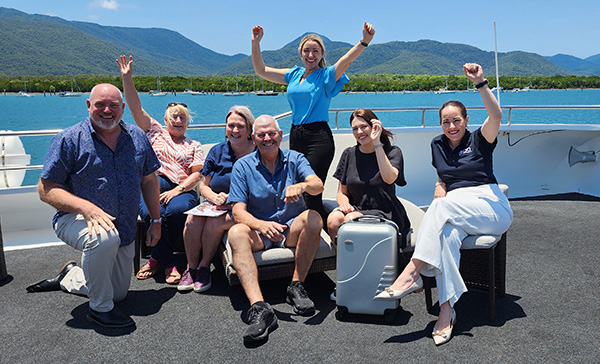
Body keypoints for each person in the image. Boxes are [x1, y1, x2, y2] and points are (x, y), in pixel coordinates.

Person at [375, 63, 513, 346]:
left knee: (438, 207)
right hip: (458, 208)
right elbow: (445, 176)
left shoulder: (480, 139)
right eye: (446, 122)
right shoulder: (437, 144)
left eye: (456, 121)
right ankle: (447, 311)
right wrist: (440, 185)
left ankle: (413, 271)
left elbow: (496, 115)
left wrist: (480, 83)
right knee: (447, 236)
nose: (451, 127)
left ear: (466, 120)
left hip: (490, 207)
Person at [27, 83, 162, 328]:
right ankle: (100, 310)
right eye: (100, 104)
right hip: (74, 218)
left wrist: (155, 220)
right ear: (89, 106)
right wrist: (87, 208)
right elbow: (45, 189)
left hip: (125, 228)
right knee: (103, 238)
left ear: (122, 108)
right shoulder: (69, 139)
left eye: (113, 105)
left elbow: (149, 179)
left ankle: (70, 276)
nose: (107, 110)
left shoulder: (137, 137)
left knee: (118, 293)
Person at [251, 22, 375, 220]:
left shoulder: (326, 76)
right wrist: (256, 43)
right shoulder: (293, 74)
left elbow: (346, 61)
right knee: (299, 190)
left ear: (321, 54)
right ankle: (312, 228)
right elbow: (261, 70)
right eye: (307, 50)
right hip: (296, 135)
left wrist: (364, 42)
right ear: (301, 52)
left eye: (315, 51)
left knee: (311, 190)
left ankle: (324, 233)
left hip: (319, 138)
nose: (311, 55)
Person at [227, 115, 324, 343]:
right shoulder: (243, 166)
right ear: (253, 138)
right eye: (261, 134)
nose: (267, 138)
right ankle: (260, 308)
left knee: (314, 217)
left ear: (280, 135)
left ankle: (296, 286)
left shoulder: (295, 158)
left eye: (271, 133)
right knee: (236, 232)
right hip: (261, 232)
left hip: (290, 229)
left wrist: (301, 185)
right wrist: (261, 225)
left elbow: (317, 185)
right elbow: (238, 211)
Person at [117, 55, 204, 285]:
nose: (178, 119)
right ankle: (168, 264)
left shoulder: (194, 146)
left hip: (181, 189)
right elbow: (135, 108)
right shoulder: (154, 131)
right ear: (165, 120)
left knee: (174, 212)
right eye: (174, 116)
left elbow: (197, 174)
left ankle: (155, 258)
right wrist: (127, 79)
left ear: (188, 122)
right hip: (151, 183)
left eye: (182, 117)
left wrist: (177, 191)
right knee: (149, 213)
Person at [178, 105, 256, 293]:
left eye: (240, 126)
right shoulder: (217, 151)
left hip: (246, 206)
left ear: (249, 129)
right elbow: (203, 185)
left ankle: (205, 267)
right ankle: (191, 268)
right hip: (217, 203)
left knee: (214, 223)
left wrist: (234, 198)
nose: (235, 130)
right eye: (231, 126)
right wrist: (215, 197)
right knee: (192, 220)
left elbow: (262, 186)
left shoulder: (257, 152)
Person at [327, 108, 410, 242]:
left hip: (385, 211)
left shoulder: (392, 152)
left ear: (373, 127)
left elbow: (389, 179)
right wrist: (344, 204)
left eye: (363, 127)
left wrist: (377, 143)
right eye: (355, 129)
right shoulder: (349, 154)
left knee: (350, 221)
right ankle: (344, 261)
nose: (359, 132)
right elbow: (341, 192)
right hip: (356, 209)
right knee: (333, 220)